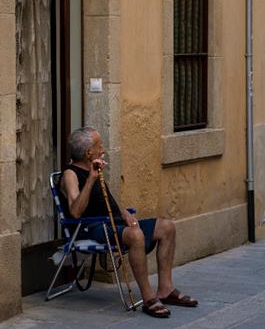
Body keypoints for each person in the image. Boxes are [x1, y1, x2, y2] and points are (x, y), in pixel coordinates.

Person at [59, 127, 198, 318]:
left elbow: (105, 201)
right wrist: (91, 179)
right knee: (135, 235)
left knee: (166, 227)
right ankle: (149, 298)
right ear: (88, 153)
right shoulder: (71, 174)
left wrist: (124, 213)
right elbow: (75, 212)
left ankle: (165, 289)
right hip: (92, 228)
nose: (104, 150)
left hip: (114, 223)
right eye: (100, 146)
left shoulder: (93, 167)